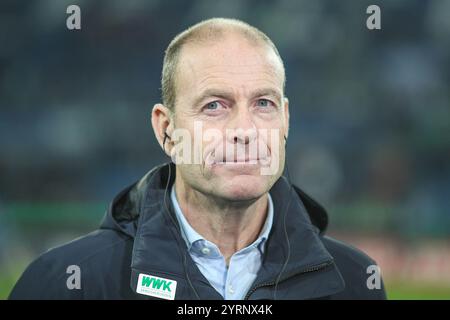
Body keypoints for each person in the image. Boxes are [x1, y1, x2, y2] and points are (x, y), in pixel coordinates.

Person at [9, 18, 386, 300]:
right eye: (215, 106)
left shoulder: (356, 283)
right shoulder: (64, 284)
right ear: (166, 131)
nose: (245, 129)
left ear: (286, 119)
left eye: (263, 104)